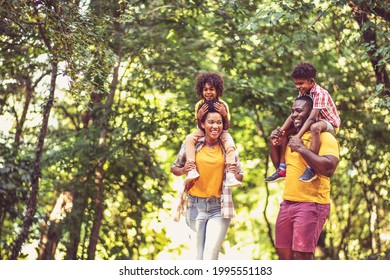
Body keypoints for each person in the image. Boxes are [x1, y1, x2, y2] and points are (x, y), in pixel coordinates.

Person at [171, 100, 244, 260]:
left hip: (218, 206)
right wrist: (184, 170)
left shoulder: (227, 147)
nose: (215, 126)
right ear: (202, 124)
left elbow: (240, 176)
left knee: (210, 256)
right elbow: (174, 168)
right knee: (197, 257)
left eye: (219, 122)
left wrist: (234, 172)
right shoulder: (193, 145)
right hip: (194, 206)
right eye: (211, 122)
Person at [269, 95, 340, 260]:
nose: (294, 115)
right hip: (287, 203)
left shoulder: (324, 137)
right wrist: (273, 142)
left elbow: (329, 168)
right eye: (293, 111)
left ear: (312, 114)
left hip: (311, 204)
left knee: (302, 256)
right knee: (283, 253)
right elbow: (280, 167)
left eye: (299, 111)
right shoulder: (293, 136)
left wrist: (302, 149)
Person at [265, 62, 341, 183]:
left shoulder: (320, 93)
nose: (298, 86)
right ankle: (282, 168)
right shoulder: (303, 92)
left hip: (328, 123)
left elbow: (311, 118)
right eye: (296, 84)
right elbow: (293, 115)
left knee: (315, 128)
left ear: (311, 81)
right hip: (312, 122)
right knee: (285, 134)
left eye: (301, 83)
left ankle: (311, 169)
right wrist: (281, 131)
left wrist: (297, 136)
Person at [184, 72, 242, 187]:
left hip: (222, 131)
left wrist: (224, 115)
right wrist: (199, 117)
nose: (208, 92)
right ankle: (191, 168)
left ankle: (230, 173)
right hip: (204, 130)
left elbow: (226, 126)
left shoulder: (222, 104)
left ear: (217, 90)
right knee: (189, 138)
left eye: (211, 89)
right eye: (205, 89)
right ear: (201, 91)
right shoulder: (199, 105)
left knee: (230, 144)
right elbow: (200, 126)